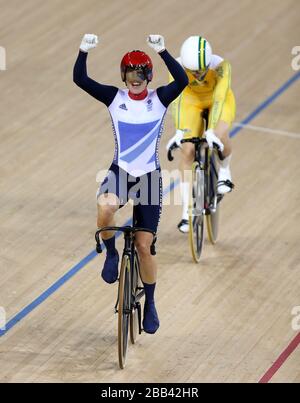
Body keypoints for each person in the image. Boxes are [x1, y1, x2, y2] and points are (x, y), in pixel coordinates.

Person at [73, 34, 188, 333]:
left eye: (141, 74)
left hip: (149, 176)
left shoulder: (160, 99)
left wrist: (162, 50)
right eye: (130, 74)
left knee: (144, 245)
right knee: (105, 205)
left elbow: (183, 80)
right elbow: (80, 79)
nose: (135, 80)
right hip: (121, 172)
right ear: (123, 77)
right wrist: (83, 50)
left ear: (148, 76)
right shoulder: (115, 98)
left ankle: (150, 303)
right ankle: (111, 253)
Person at [166, 36, 236, 233]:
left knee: (220, 136)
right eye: (192, 71)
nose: (197, 75)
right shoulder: (177, 67)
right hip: (191, 101)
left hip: (217, 100)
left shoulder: (221, 66)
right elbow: (177, 100)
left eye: (200, 70)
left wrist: (212, 129)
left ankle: (224, 171)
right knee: (187, 150)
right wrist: (179, 130)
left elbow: (221, 97)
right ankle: (186, 210)